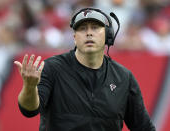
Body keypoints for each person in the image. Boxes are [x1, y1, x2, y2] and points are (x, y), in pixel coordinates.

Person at [14, 7, 156, 131]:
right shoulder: (52, 68)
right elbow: (29, 110)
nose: (89, 33)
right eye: (82, 28)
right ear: (74, 37)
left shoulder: (123, 77)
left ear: (108, 34)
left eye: (95, 27)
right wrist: (29, 88)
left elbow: (143, 127)